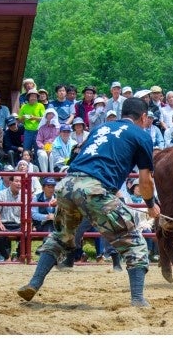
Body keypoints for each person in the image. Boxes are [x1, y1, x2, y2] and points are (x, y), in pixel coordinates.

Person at [17, 97, 160, 308]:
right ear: (144, 117)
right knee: (134, 242)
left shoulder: (101, 128)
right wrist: (150, 204)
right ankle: (138, 299)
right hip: (95, 188)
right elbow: (145, 180)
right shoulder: (142, 135)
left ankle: (34, 282)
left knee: (60, 237)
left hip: (68, 183)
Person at [0, 175, 22, 262]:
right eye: (17, 181)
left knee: (27, 235)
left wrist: (26, 225)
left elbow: (26, 212)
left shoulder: (24, 195)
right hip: (4, 224)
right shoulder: (1, 194)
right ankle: (7, 257)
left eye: (20, 182)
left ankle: (18, 256)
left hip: (18, 224)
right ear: (10, 182)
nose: (19, 184)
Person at [18, 88, 45, 155]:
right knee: (26, 150)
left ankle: (38, 165)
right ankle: (26, 164)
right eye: (32, 96)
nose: (34, 98)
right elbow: (19, 120)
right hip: (27, 131)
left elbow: (44, 119)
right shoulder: (24, 106)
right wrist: (23, 118)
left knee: (38, 151)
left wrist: (34, 118)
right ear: (28, 97)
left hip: (38, 131)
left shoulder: (40, 105)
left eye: (35, 96)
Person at [35, 108, 61, 172]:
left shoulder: (59, 127)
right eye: (48, 114)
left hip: (56, 148)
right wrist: (44, 147)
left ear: (55, 116)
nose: (50, 116)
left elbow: (60, 140)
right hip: (43, 148)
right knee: (42, 155)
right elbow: (38, 140)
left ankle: (53, 175)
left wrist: (52, 148)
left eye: (52, 114)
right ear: (45, 116)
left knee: (53, 155)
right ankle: (44, 175)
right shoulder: (42, 128)